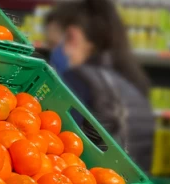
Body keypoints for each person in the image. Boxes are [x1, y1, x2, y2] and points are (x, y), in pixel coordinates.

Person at [54, 0, 155, 173]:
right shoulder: (133, 82)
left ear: (72, 37)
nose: (53, 53)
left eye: (53, 44)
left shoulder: (80, 80)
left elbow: (60, 144)